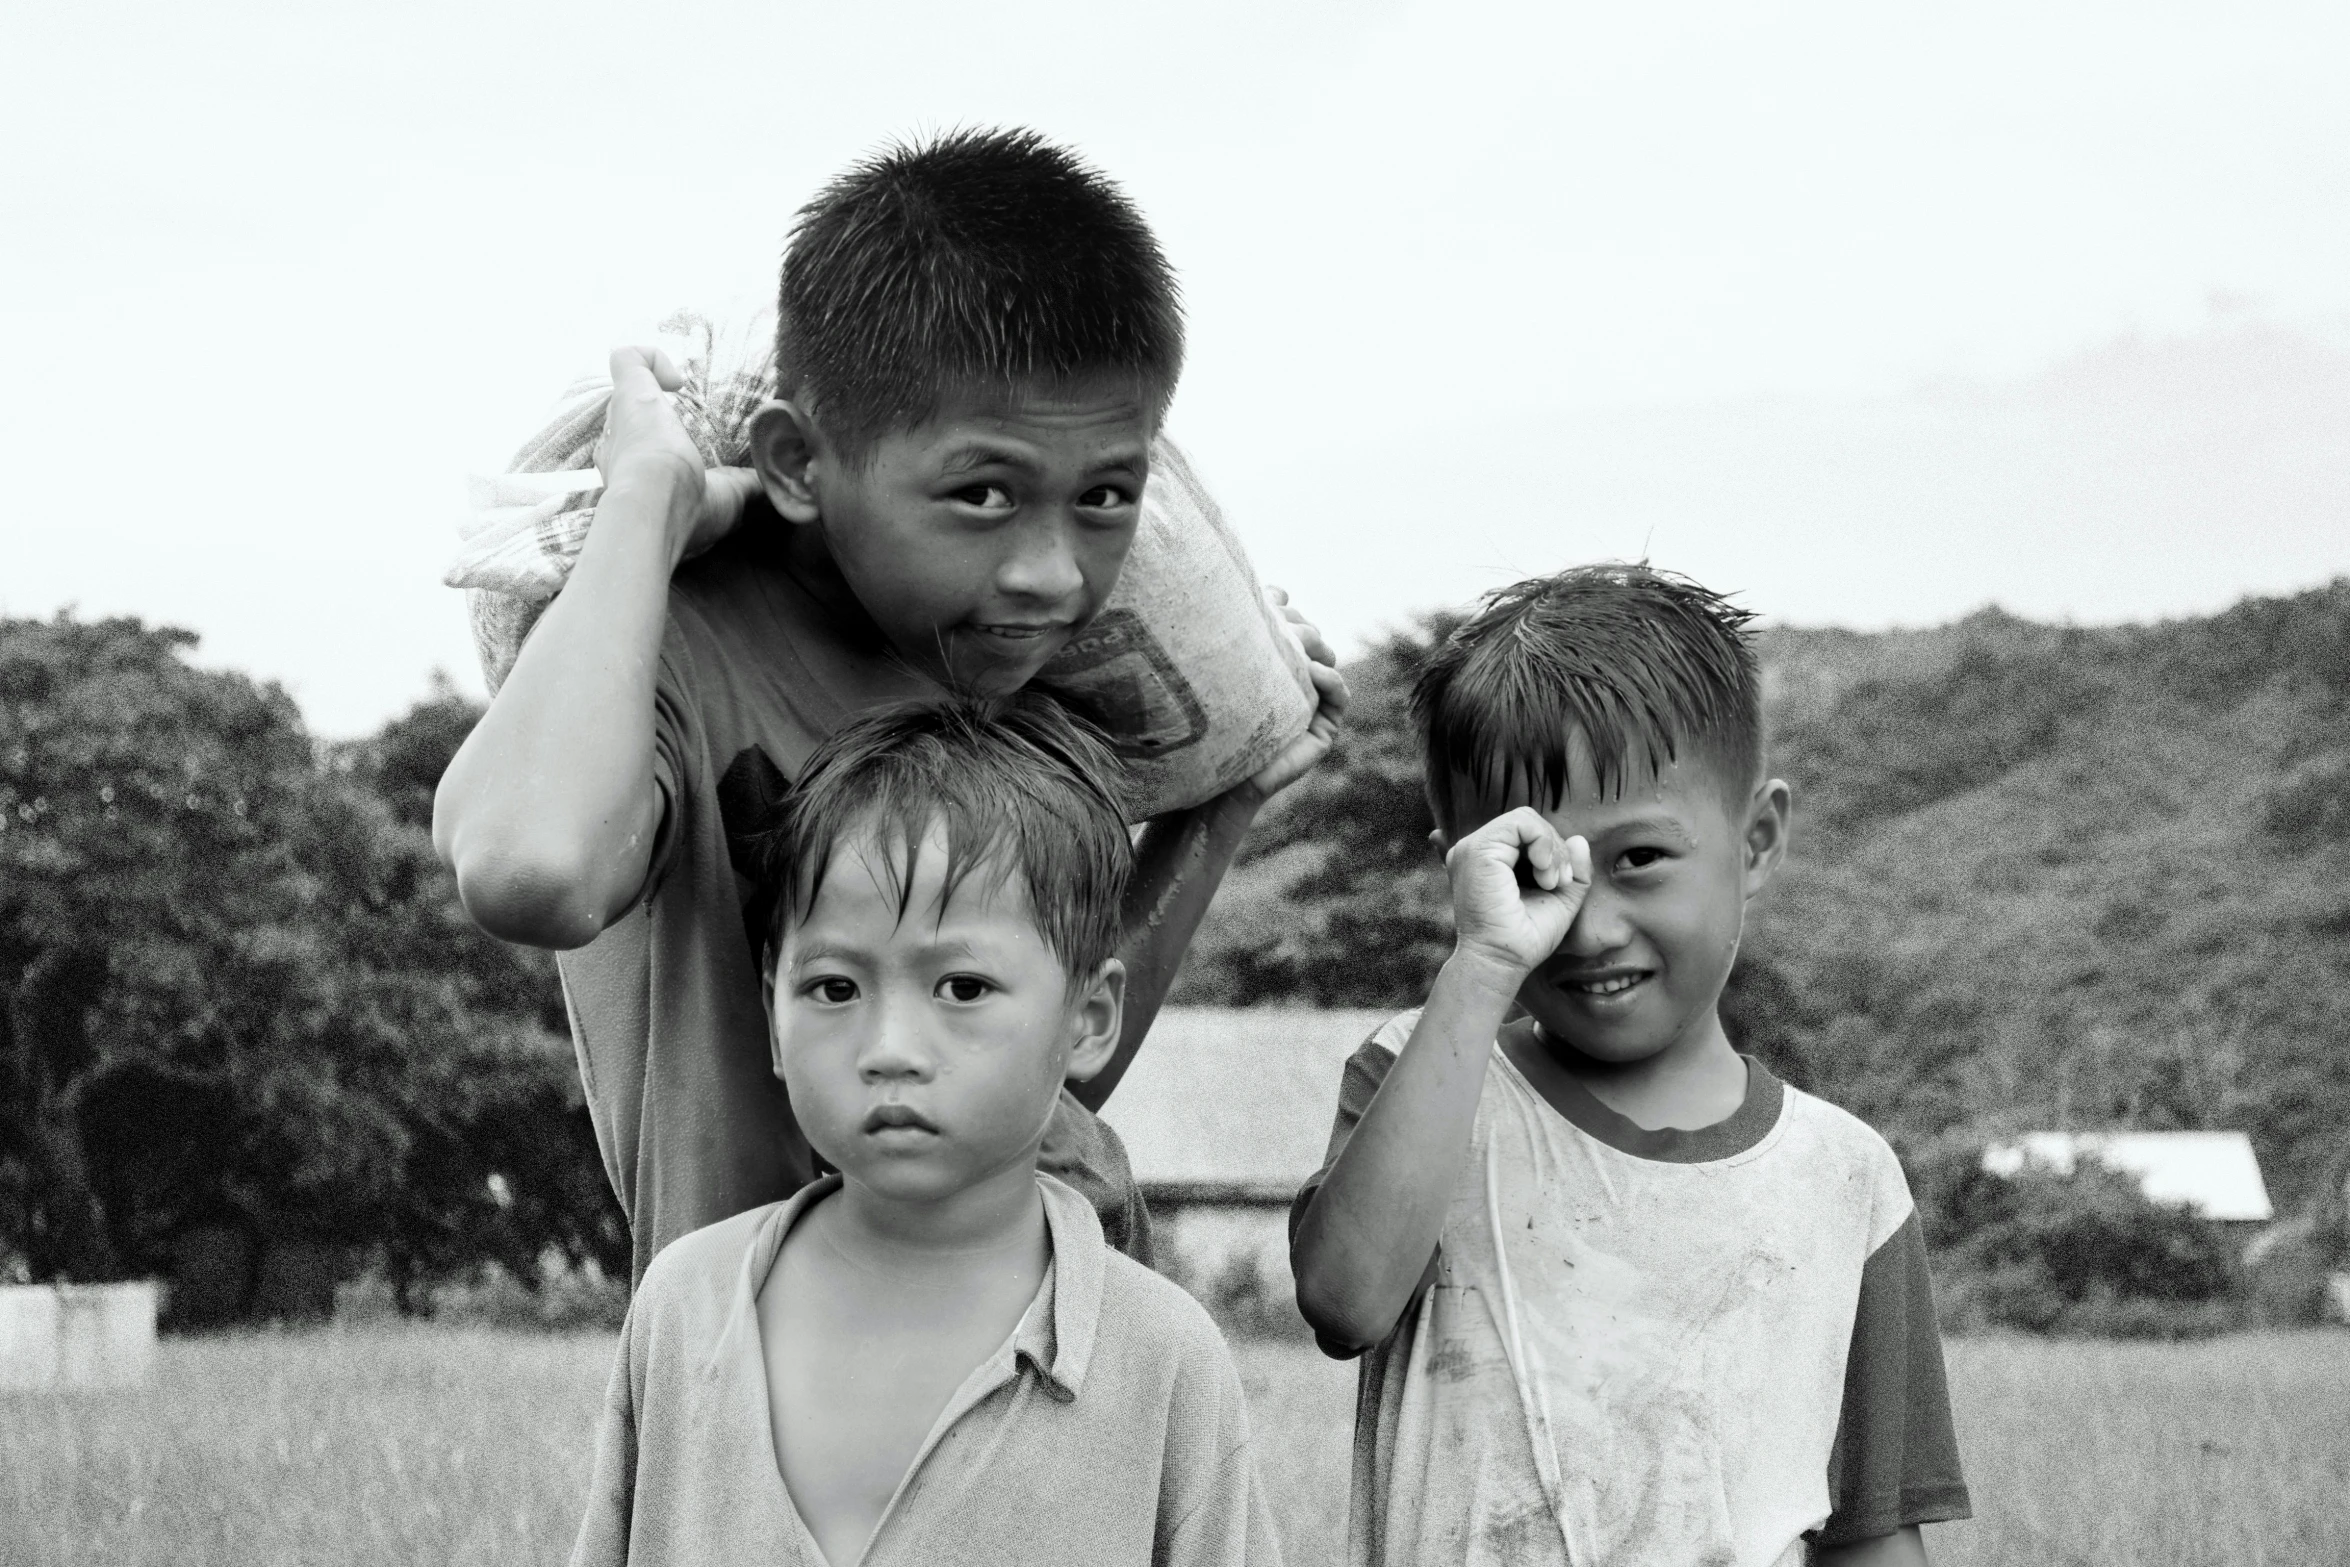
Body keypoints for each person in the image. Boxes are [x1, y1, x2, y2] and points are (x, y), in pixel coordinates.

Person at [433, 128, 1344, 1279]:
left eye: (1105, 495)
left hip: (1065, 1335)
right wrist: (650, 501)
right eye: (982, 493)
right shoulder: (677, 651)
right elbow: (531, 869)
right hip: (766, 1369)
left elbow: (1042, 1073)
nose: (1052, 574)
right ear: (799, 464)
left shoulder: (1031, 688)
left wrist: (1222, 810)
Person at [1288, 565, 1971, 1567]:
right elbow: (1344, 1300)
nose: (1589, 925)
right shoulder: (1424, 1077)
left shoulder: (1843, 1179)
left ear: (1757, 838)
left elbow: (1872, 1533)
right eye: (1533, 870)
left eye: (1640, 857)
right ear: (1463, 868)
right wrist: (1480, 964)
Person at [570, 694, 1281, 1567]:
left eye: (963, 988)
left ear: (1090, 1018)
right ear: (770, 1008)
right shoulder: (685, 1307)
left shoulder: (1163, 1362)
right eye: (834, 988)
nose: (889, 1048)